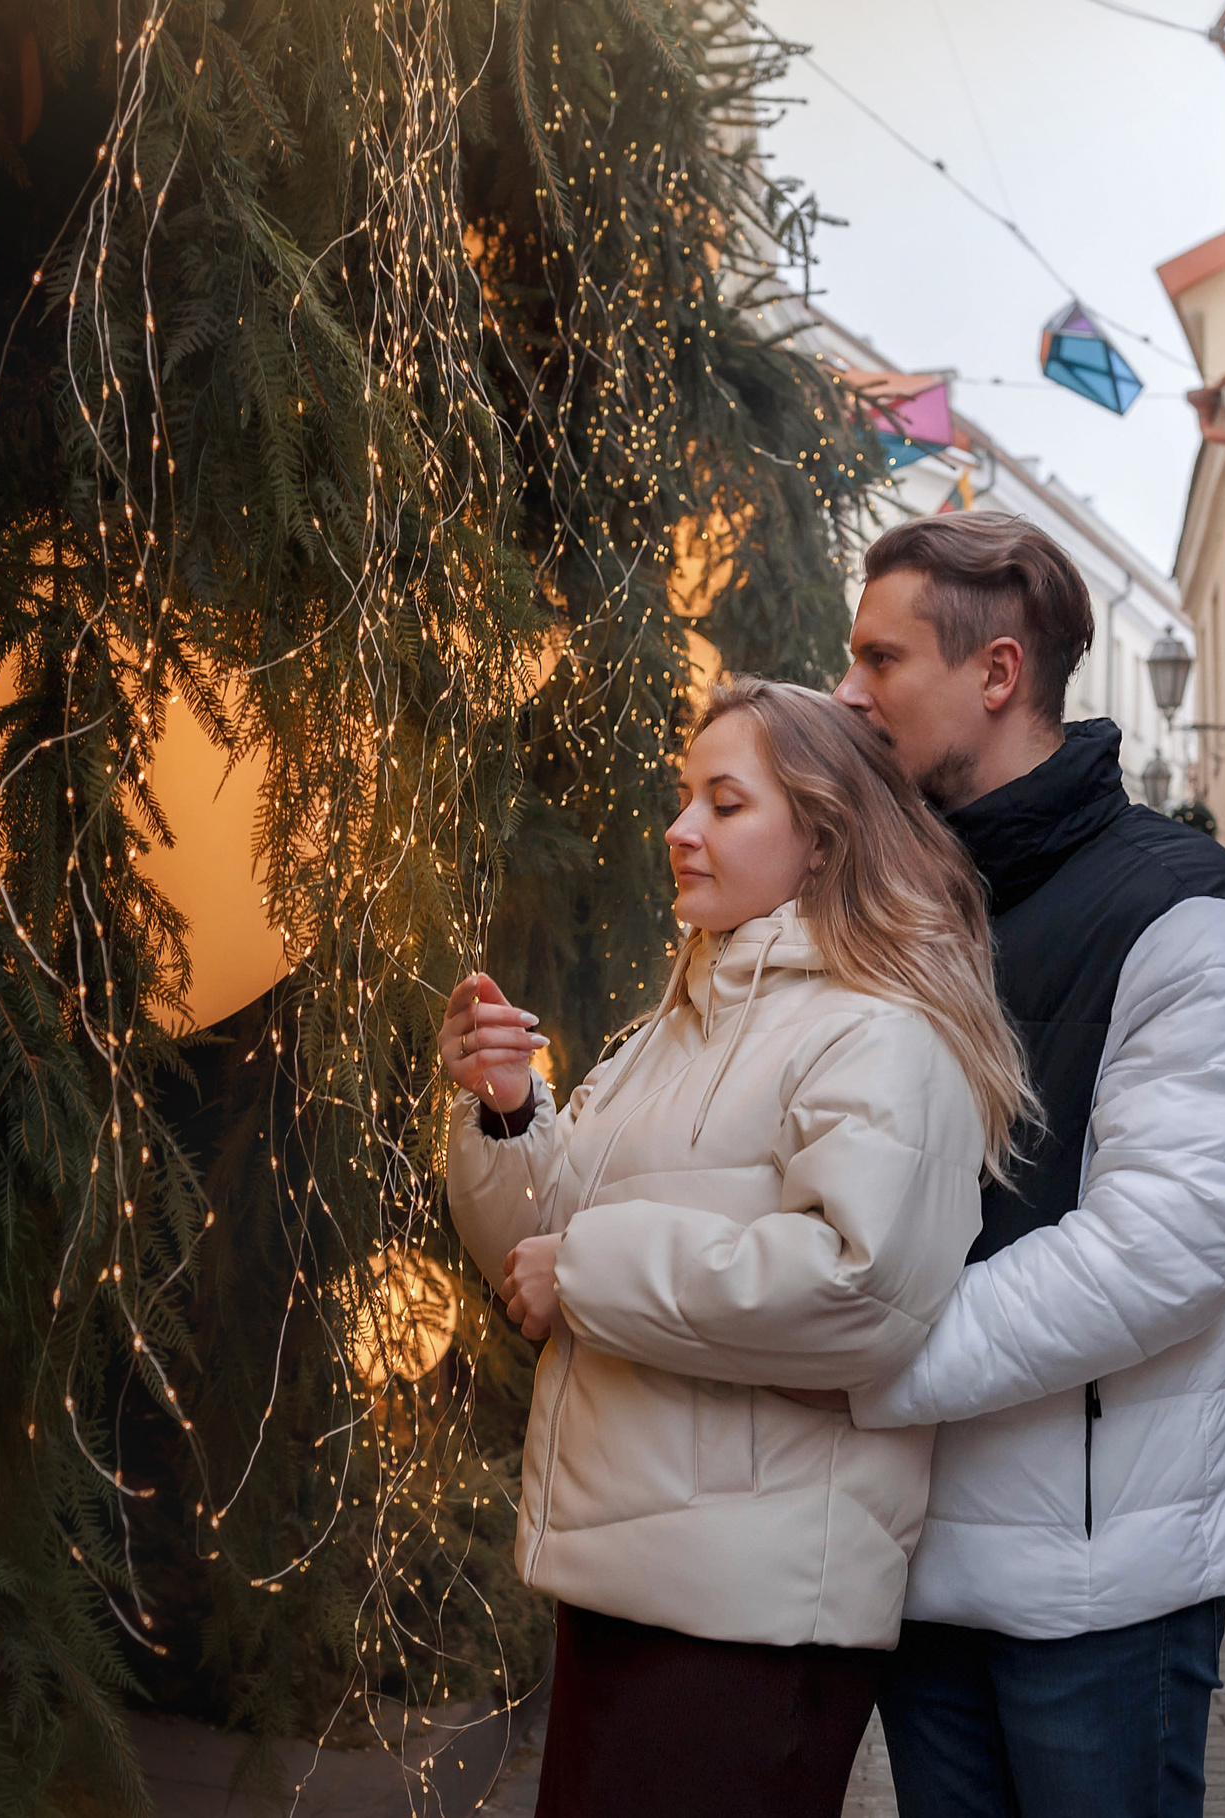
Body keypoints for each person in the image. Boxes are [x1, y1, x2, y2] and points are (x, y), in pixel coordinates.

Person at [823, 512, 1225, 1818]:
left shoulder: (1182, 910)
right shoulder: (898, 909)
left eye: (881, 657)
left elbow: (1163, 1247)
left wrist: (857, 1363)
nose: (848, 691)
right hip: (920, 1543)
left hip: (1102, 1572)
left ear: (997, 675)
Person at [436, 678, 1037, 1818]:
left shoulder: (878, 1028)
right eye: (682, 799)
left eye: (724, 803)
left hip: (748, 1611)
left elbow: (859, 1292)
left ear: (820, 838)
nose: (680, 830)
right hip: (624, 1578)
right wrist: (509, 1111)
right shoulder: (679, 1022)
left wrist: (588, 1269)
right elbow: (535, 1262)